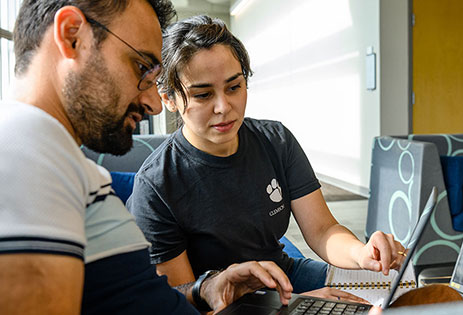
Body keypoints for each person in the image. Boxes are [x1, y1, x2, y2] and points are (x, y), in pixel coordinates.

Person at [0, 1, 293, 314]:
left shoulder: (70, 170)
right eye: (141, 68)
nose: (154, 104)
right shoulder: (22, 148)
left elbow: (133, 296)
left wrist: (203, 288)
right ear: (72, 36)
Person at [128, 15, 406, 300]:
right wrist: (295, 306)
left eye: (234, 87)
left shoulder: (276, 140)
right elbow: (184, 302)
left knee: (396, 291)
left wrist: (362, 254)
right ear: (169, 99)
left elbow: (322, 230)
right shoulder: (156, 186)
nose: (224, 107)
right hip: (225, 301)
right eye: (202, 95)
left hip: (283, 276)